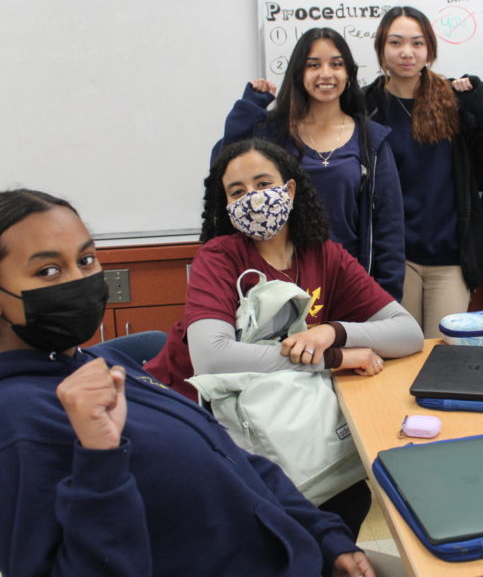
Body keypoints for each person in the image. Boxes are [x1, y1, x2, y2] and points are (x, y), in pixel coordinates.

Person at [0, 188, 377, 577]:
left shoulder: (102, 363)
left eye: (87, 259)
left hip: (300, 555)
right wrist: (99, 458)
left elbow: (233, 458)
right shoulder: (17, 420)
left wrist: (323, 535)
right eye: (48, 271)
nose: (79, 279)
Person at [145, 138, 424, 538]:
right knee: (276, 518)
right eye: (237, 192)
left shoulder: (324, 255)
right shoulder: (219, 256)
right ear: (226, 205)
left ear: (289, 190)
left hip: (281, 412)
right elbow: (212, 356)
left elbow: (408, 333)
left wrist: (333, 332)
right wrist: (332, 358)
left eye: (263, 184)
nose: (253, 199)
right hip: (199, 414)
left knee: (345, 496)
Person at [363, 6, 483, 338]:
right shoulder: (364, 104)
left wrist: (480, 96)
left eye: (417, 43)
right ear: (381, 48)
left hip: (451, 258)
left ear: (430, 51)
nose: (407, 52)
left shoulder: (452, 100)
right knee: (399, 352)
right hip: (395, 259)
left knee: (447, 353)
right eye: (396, 43)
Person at [212, 28, 405, 300]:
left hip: (348, 281)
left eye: (336, 64)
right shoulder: (273, 134)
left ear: (348, 73)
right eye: (314, 65)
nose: (326, 73)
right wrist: (249, 108)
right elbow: (223, 170)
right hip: (279, 283)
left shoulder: (371, 139)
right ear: (299, 73)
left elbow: (389, 228)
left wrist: (386, 299)